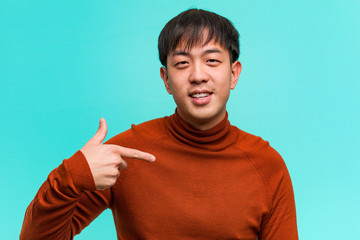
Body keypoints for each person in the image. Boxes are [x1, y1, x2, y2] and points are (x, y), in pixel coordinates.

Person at [20, 9, 298, 240]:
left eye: (212, 61)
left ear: (234, 74)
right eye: (182, 63)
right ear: (166, 79)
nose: (198, 75)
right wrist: (72, 175)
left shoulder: (266, 165)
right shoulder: (126, 154)